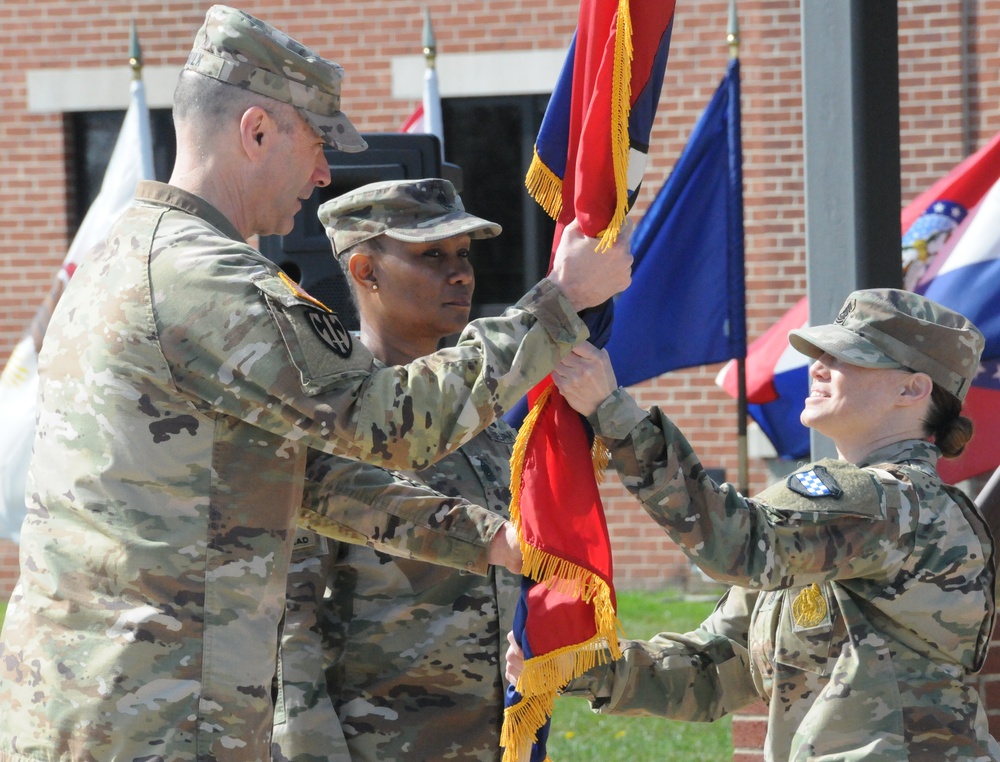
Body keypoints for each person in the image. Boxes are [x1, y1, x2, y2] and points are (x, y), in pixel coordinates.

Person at [0, 6, 633, 761]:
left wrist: (492, 539)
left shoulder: (124, 256)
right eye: (318, 142)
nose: (327, 172)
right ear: (257, 131)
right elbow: (391, 423)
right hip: (156, 719)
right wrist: (560, 303)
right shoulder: (208, 280)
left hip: (107, 701)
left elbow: (306, 477)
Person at [506, 289, 999, 761]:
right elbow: (716, 669)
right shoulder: (837, 520)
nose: (819, 368)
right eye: (820, 354)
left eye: (849, 357)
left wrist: (612, 412)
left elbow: (732, 541)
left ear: (912, 389)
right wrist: (573, 666)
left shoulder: (894, 501)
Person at [272, 178, 523, 761]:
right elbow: (290, 625)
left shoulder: (484, 426)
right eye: (431, 255)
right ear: (365, 270)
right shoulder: (334, 423)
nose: (459, 274)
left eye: (463, 254)